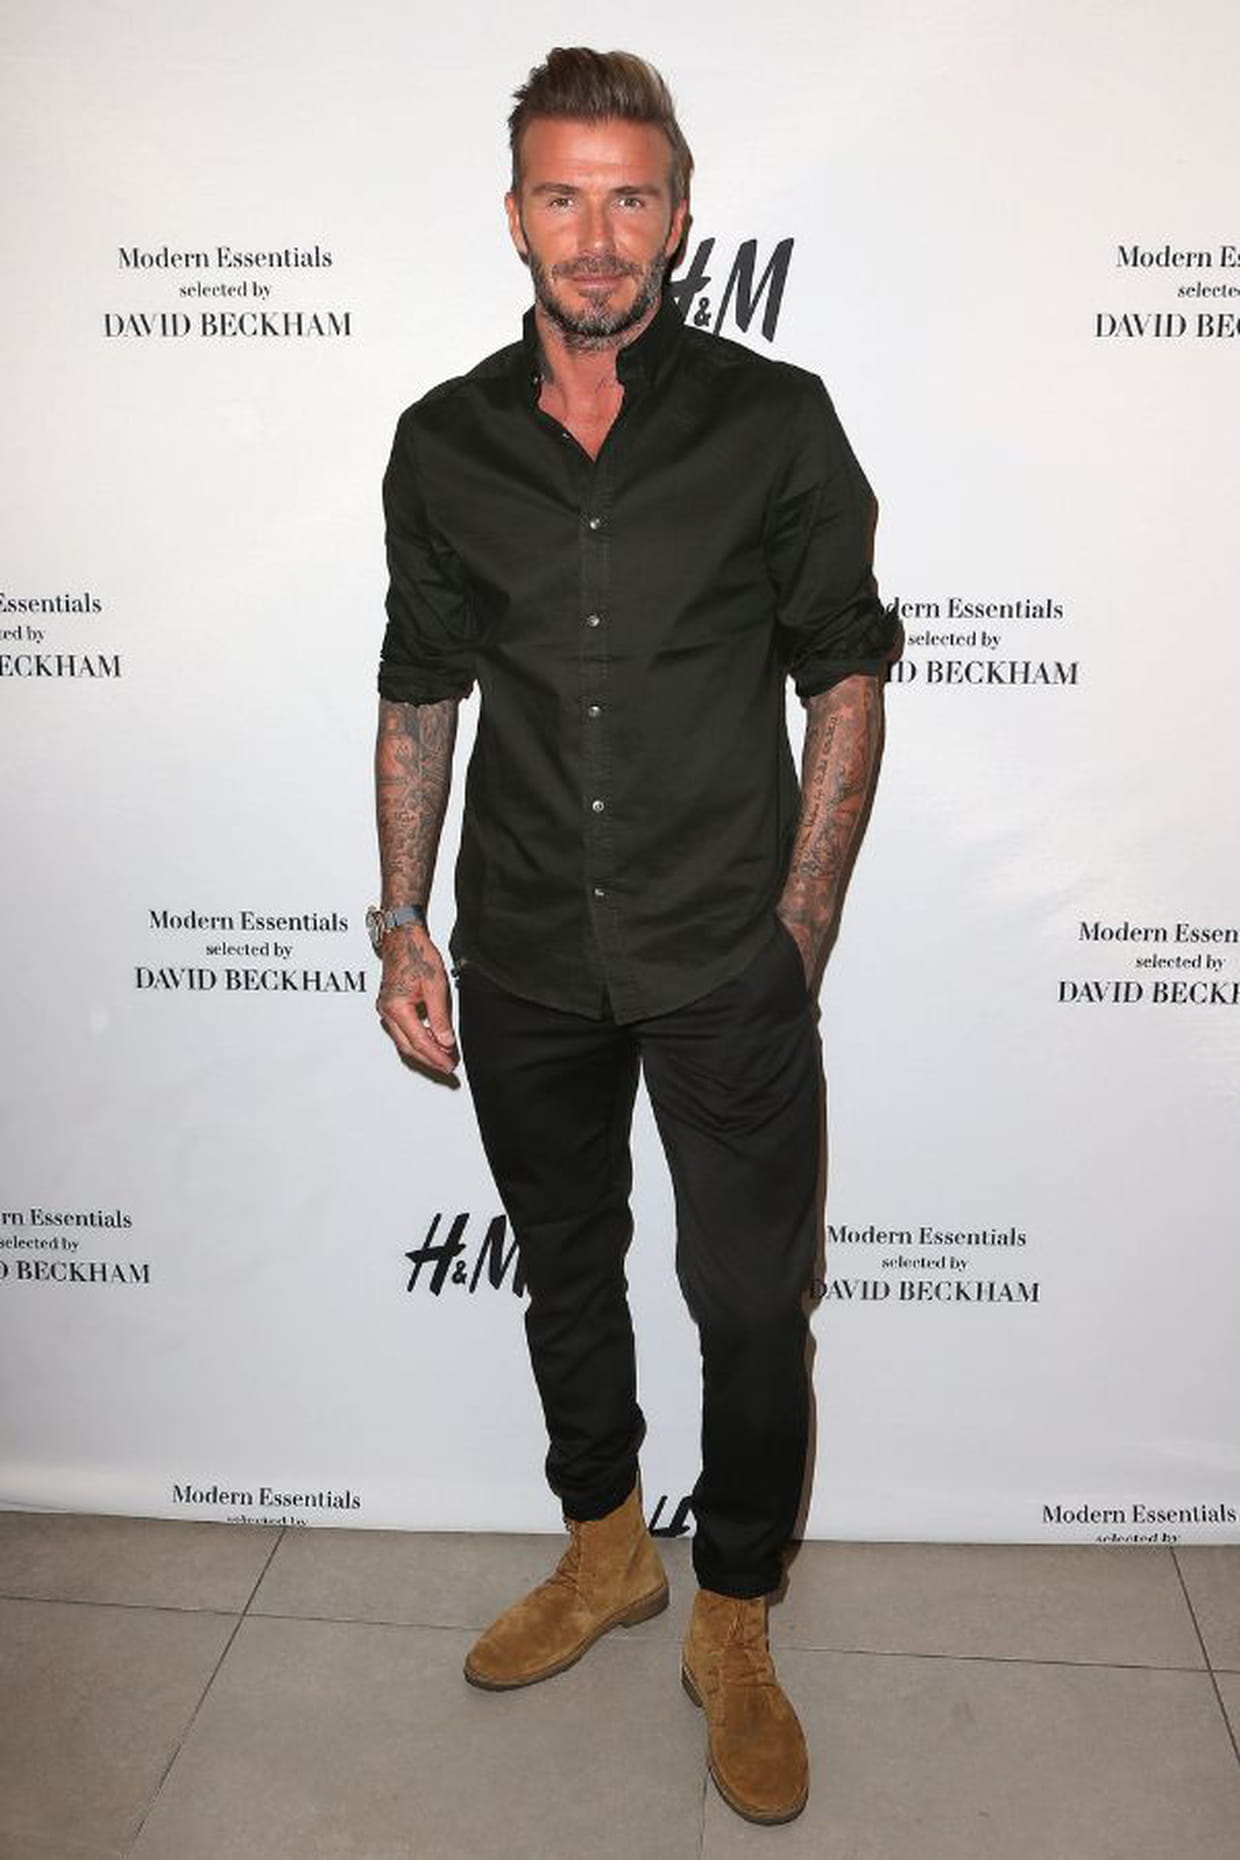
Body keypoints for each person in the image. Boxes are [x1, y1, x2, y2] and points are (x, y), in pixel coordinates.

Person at [369, 47, 899, 1827]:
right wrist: (402, 921)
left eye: (630, 198)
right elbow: (421, 691)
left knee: (750, 1306)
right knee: (568, 1267)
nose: (596, 237)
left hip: (723, 950)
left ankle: (732, 1612)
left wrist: (799, 929)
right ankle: (606, 1549)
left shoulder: (775, 421)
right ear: (515, 213)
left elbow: (844, 673)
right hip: (523, 944)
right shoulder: (443, 444)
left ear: (678, 216)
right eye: (563, 196)